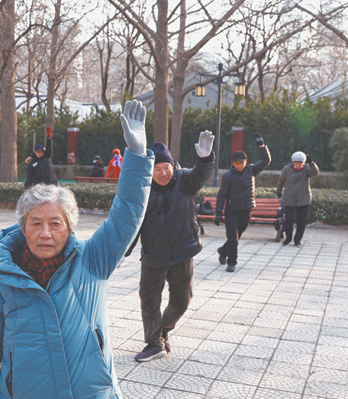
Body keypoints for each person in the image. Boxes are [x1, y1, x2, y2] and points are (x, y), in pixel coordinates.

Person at [0, 100, 154, 399]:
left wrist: (137, 156)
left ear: (69, 227)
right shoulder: (1, 280)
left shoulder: (91, 259)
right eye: (36, 223)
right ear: (23, 228)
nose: (45, 232)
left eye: (55, 223)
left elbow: (126, 215)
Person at [125, 132, 215, 363]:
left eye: (166, 167)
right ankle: (154, 343)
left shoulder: (184, 181)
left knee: (182, 300)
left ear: (173, 166)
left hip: (182, 252)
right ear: (150, 171)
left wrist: (204, 159)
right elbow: (133, 221)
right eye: (157, 169)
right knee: (149, 299)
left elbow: (201, 174)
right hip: (154, 255)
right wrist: (122, 249)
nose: (163, 173)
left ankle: (163, 331)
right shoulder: (143, 190)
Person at [215, 133, 271, 272]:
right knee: (233, 237)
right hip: (232, 211)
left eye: (242, 162)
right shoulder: (228, 176)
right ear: (233, 163)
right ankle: (231, 262)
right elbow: (222, 194)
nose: (239, 165)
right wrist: (217, 212)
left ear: (246, 162)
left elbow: (266, 160)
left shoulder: (251, 170)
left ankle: (222, 251)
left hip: (247, 209)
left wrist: (261, 145)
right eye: (237, 162)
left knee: (237, 236)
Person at [276, 151, 319, 247]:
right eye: (296, 162)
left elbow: (314, 173)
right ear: (293, 162)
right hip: (289, 198)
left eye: (300, 162)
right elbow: (281, 180)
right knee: (289, 219)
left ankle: (297, 240)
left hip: (303, 199)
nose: (298, 164)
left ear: (304, 162)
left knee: (301, 221)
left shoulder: (307, 169)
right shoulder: (287, 169)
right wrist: (278, 191)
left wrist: (312, 164)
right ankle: (288, 238)